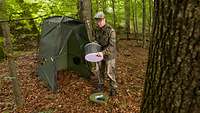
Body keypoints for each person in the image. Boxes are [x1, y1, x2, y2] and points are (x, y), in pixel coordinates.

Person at [93, 12, 117, 96]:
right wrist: (94, 46)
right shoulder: (96, 29)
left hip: (109, 54)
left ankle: (113, 88)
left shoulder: (111, 30)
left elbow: (112, 46)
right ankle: (101, 85)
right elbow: (96, 40)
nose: (98, 23)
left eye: (100, 20)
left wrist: (102, 53)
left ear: (104, 19)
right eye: (97, 21)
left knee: (110, 72)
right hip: (99, 53)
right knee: (99, 70)